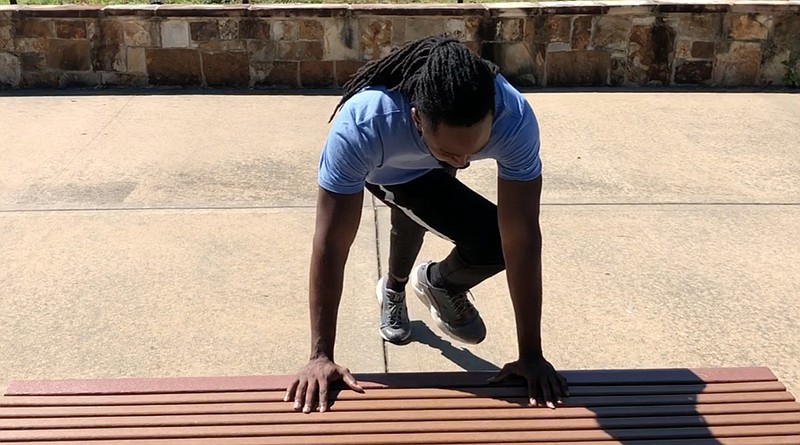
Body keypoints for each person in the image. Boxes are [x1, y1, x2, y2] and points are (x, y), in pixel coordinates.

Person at [284, 34, 568, 414]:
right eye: (453, 151)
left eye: (475, 148)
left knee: (493, 240)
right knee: (412, 201)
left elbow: (523, 237)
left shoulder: (513, 118)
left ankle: (437, 283)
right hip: (387, 169)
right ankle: (394, 290)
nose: (463, 163)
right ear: (417, 117)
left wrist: (531, 354)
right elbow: (330, 244)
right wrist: (320, 355)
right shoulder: (364, 125)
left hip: (424, 153)